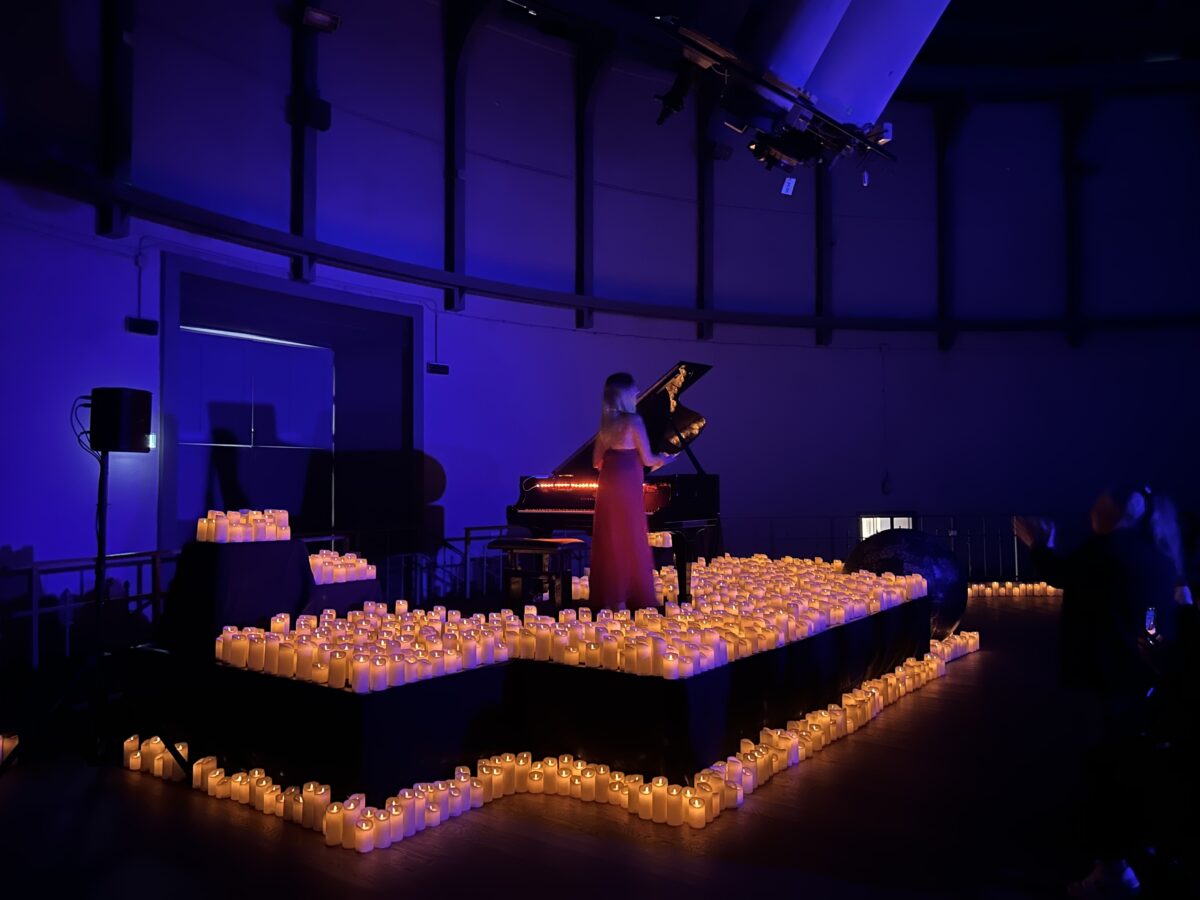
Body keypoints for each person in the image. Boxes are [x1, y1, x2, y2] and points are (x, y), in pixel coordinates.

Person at [1015, 486, 1177, 898]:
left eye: (1099, 504)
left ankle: (1114, 869)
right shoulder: (1155, 555)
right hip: (1142, 677)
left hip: (1108, 676)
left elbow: (1063, 573)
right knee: (1125, 766)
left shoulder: (1108, 550)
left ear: (1116, 515)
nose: (1091, 509)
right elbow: (1152, 617)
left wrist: (1037, 542)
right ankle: (1138, 850)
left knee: (1103, 772)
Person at [587, 372, 674, 611]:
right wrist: (666, 459)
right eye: (634, 390)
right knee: (631, 536)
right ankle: (631, 597)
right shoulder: (633, 421)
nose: (637, 393)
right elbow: (647, 459)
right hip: (627, 485)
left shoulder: (605, 425)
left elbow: (596, 462)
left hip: (608, 486)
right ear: (625, 394)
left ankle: (614, 600)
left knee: (612, 538)